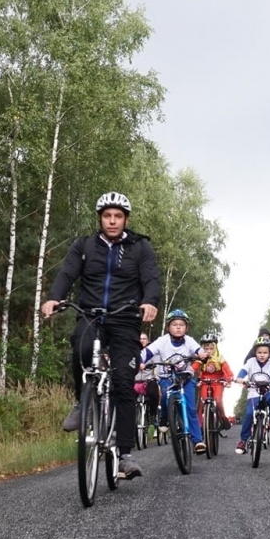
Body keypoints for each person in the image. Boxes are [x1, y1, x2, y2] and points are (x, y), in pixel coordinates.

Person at [41, 192, 160, 481]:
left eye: (118, 216)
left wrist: (150, 301)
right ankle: (83, 403)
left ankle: (126, 455)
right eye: (107, 216)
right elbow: (68, 273)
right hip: (91, 314)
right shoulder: (84, 245)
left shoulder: (140, 246)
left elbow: (151, 278)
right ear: (100, 218)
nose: (112, 221)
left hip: (125, 318)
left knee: (123, 382)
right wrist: (53, 298)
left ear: (125, 220)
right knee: (81, 352)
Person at [140, 310, 207, 454]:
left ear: (186, 328)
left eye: (181, 325)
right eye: (174, 324)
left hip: (185, 378)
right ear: (168, 327)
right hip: (166, 377)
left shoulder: (189, 340)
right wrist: (140, 362)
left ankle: (197, 441)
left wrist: (201, 354)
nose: (178, 327)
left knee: (190, 409)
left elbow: (198, 350)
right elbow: (147, 352)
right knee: (165, 397)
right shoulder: (162, 341)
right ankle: (164, 417)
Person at [233, 339, 270, 454]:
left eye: (265, 352)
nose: (262, 355)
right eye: (259, 352)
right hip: (254, 391)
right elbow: (244, 370)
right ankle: (243, 441)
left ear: (269, 353)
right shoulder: (251, 361)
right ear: (255, 353)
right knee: (249, 414)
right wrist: (240, 378)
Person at [195, 332, 234, 433]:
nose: (208, 351)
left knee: (218, 400)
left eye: (211, 348)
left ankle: (222, 417)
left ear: (215, 348)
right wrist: (187, 373)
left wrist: (229, 377)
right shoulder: (200, 358)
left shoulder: (220, 357)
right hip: (205, 382)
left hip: (218, 382)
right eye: (206, 349)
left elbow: (227, 369)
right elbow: (193, 367)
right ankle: (199, 425)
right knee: (202, 402)